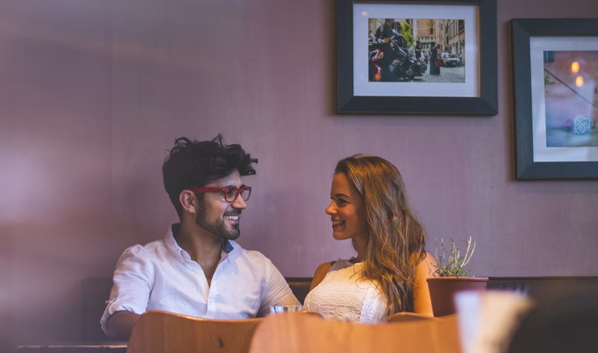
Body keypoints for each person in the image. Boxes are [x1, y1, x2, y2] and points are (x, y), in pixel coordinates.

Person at [101, 135, 299, 340]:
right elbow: (119, 319)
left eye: (241, 191)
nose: (241, 204)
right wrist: (202, 338)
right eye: (229, 192)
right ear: (189, 201)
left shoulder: (258, 267)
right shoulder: (144, 261)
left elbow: (300, 323)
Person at [303, 155, 435, 323]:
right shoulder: (324, 272)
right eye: (332, 199)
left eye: (341, 201)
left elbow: (428, 334)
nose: (329, 209)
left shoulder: (417, 264)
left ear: (373, 206)